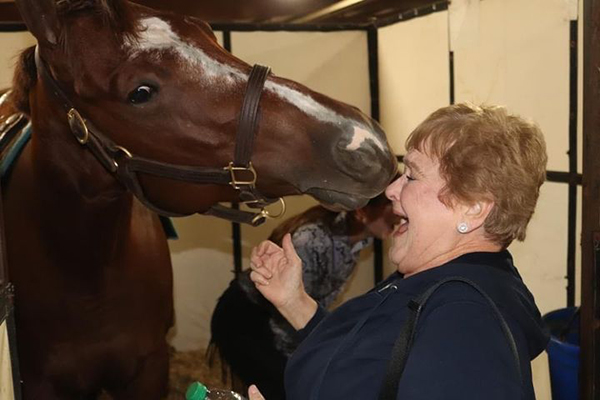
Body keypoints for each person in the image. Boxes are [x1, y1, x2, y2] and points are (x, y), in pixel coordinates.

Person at [246, 103, 550, 400]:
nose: (391, 190)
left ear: (472, 208)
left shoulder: (467, 318)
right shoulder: (437, 279)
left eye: (413, 176)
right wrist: (294, 302)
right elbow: (369, 363)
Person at [209, 194, 399, 400]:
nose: (397, 212)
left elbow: (313, 302)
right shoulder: (312, 240)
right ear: (362, 212)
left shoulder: (356, 243)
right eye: (389, 205)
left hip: (279, 321)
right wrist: (303, 359)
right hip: (245, 319)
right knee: (282, 385)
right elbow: (287, 309)